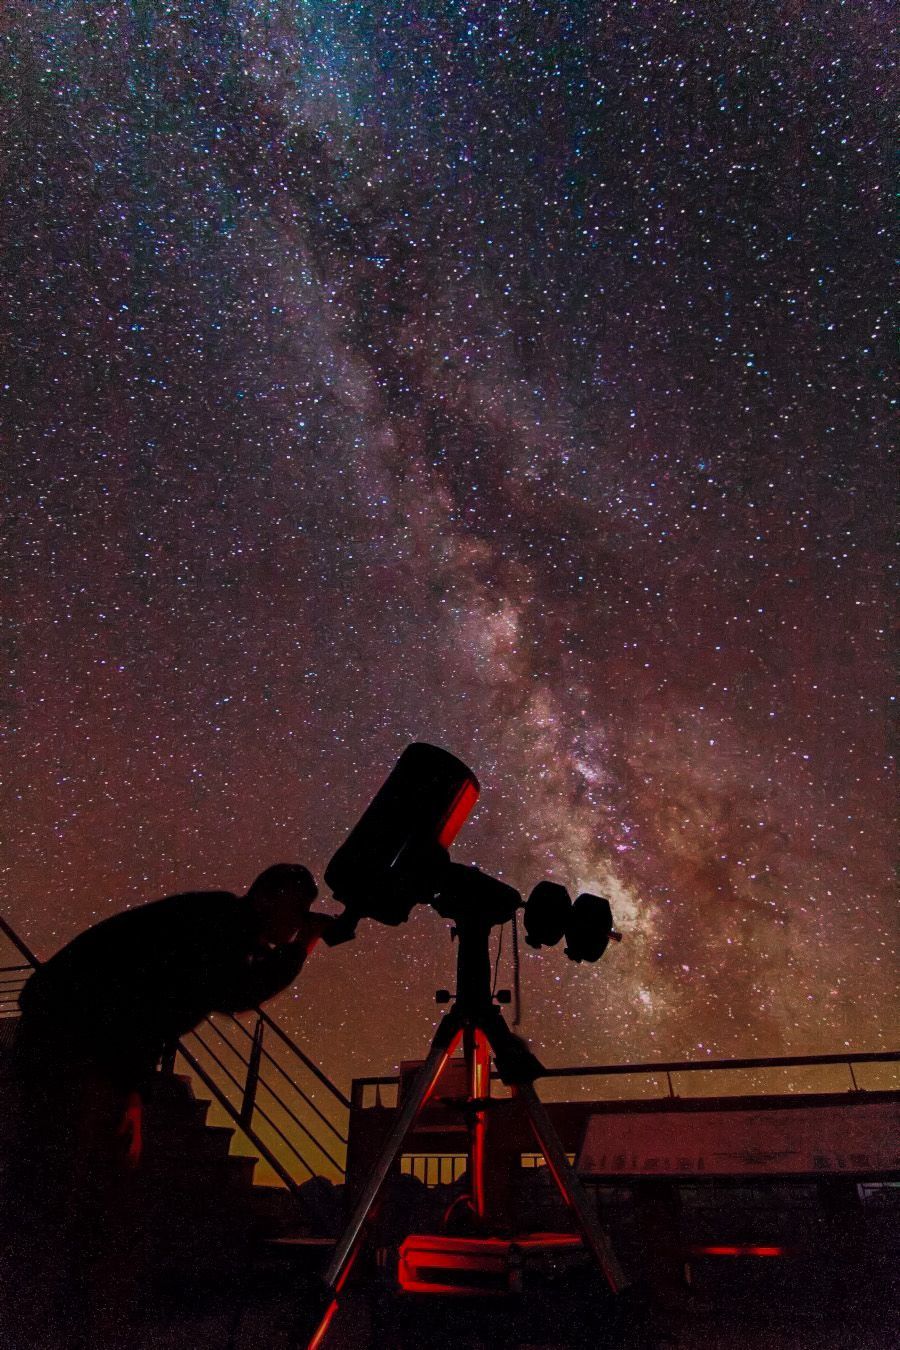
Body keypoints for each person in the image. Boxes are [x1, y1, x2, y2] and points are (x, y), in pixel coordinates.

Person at [3, 863, 328, 1347]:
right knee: (67, 1191)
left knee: (87, 1193)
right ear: (265, 898)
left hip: (94, 1049)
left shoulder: (217, 922)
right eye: (295, 910)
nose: (298, 921)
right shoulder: (220, 922)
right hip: (79, 1048)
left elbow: (200, 992)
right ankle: (46, 1319)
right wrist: (302, 948)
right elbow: (236, 992)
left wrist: (131, 1083)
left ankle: (67, 1317)